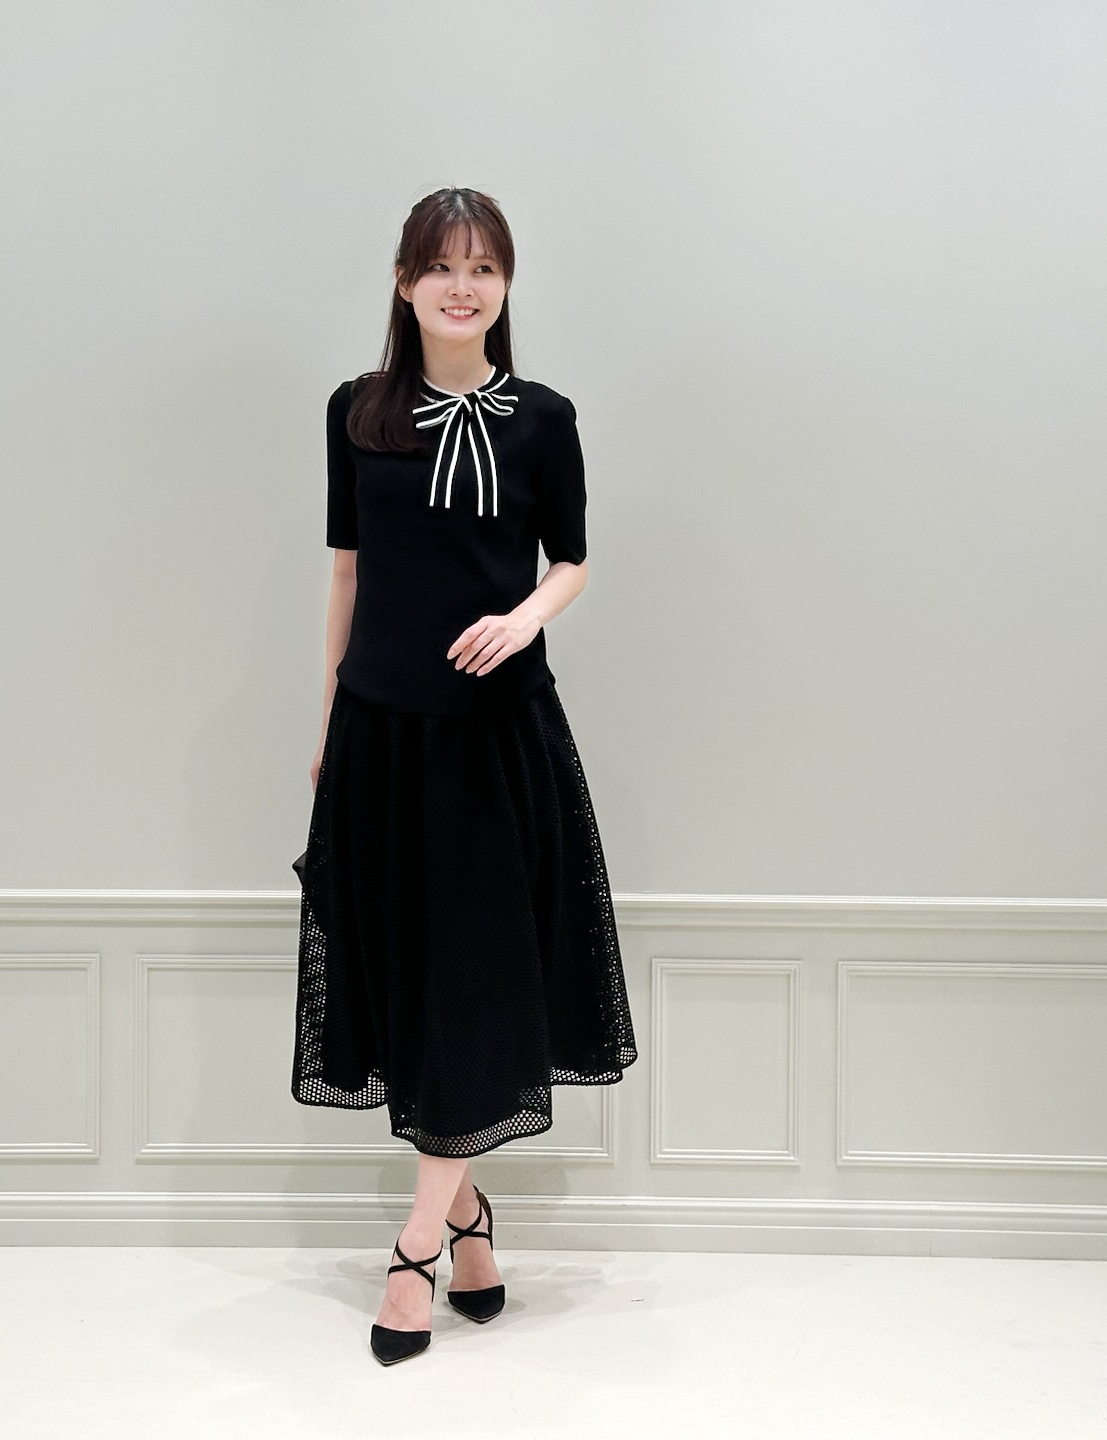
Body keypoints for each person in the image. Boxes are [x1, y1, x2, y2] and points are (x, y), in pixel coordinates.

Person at [290, 187, 638, 1365]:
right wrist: (329, 722)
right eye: (442, 266)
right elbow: (346, 574)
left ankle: (415, 1249)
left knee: (477, 981)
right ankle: (473, 1221)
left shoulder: (545, 418)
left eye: (484, 267)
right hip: (382, 736)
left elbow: (573, 559)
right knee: (408, 980)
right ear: (405, 284)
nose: (463, 285)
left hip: (497, 741)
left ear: (505, 286)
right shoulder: (355, 412)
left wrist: (523, 616)